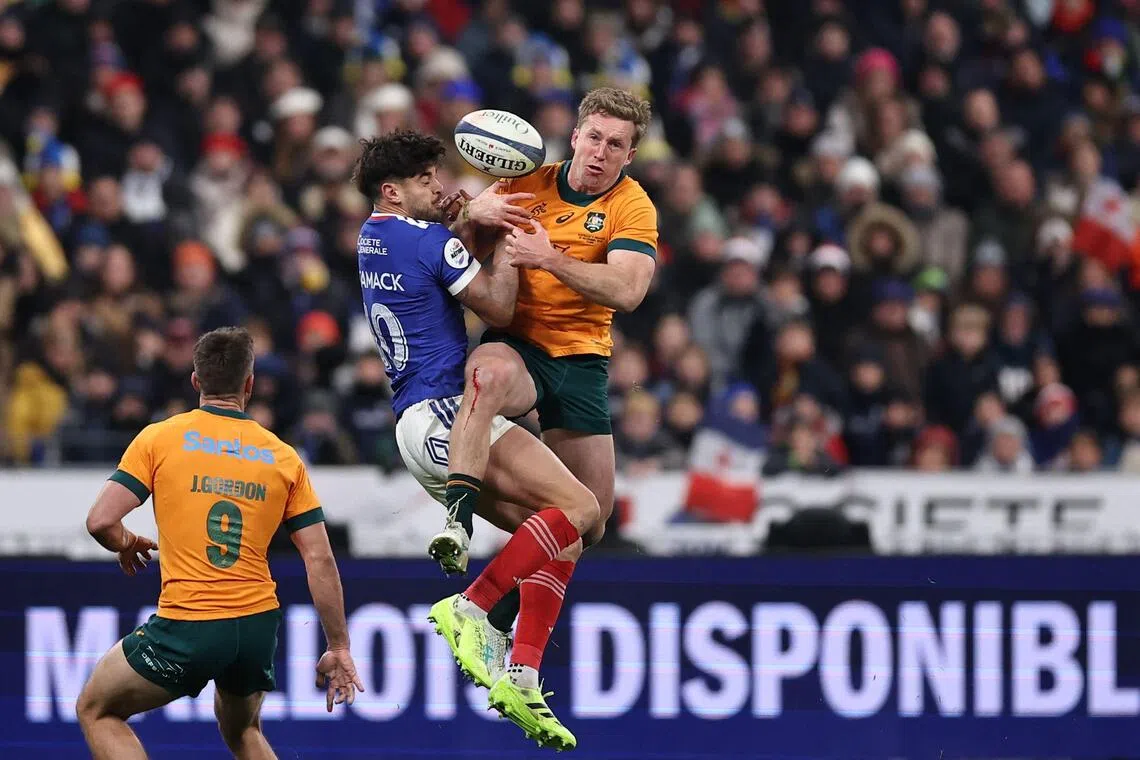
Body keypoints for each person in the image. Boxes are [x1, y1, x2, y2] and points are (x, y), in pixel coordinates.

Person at [351, 130, 600, 750]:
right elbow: (497, 309)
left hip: (414, 429)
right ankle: (472, 607)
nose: (439, 186)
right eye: (426, 180)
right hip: (449, 414)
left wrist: (469, 223)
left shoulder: (371, 238)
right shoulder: (428, 239)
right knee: (583, 508)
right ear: (393, 191)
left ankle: (522, 675)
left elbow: (434, 258)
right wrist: (511, 245)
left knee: (559, 539)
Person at [433, 86, 658, 685]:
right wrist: (469, 216)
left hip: (582, 361)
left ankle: (495, 622)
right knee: (486, 374)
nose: (601, 152)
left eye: (616, 144)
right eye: (594, 137)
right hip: (521, 346)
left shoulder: (633, 206)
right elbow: (457, 254)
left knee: (590, 521)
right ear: (575, 136)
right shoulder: (525, 182)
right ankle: (457, 522)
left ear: (630, 155)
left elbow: (629, 291)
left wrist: (550, 257)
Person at [75, 327, 363, 760]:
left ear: (196, 381)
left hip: (191, 622)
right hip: (256, 627)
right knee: (243, 729)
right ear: (249, 384)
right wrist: (338, 645)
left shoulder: (161, 438)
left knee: (97, 709)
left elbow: (100, 521)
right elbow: (320, 558)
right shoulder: (283, 456)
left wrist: (127, 541)